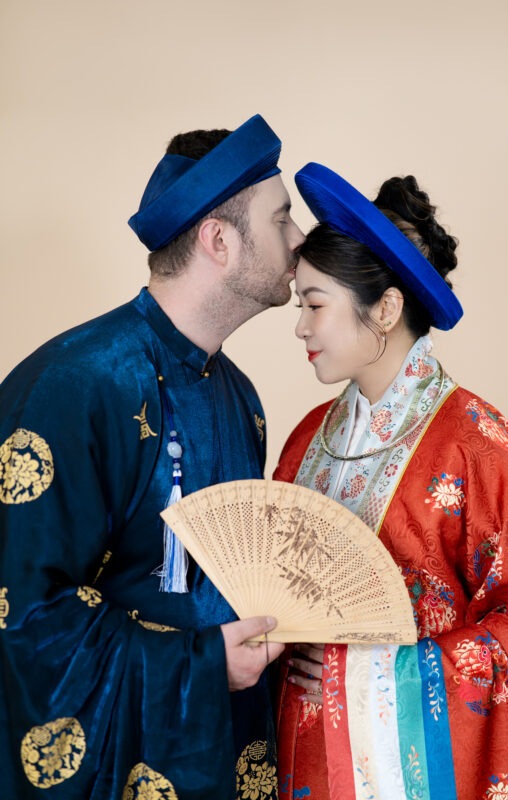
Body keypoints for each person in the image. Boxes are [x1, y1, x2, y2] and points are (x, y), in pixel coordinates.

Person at [0, 114, 304, 798]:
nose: (298, 238)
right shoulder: (77, 384)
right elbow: (25, 615)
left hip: (224, 755)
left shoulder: (240, 397)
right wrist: (201, 662)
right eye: (282, 217)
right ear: (219, 240)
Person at [273, 163, 508, 800]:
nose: (301, 326)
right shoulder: (307, 440)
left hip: (417, 767)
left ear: (386, 308)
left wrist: (376, 673)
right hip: (306, 760)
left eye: (315, 305)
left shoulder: (478, 444)